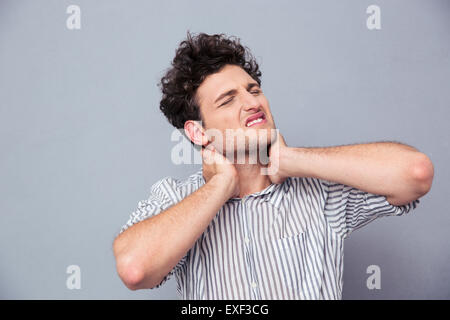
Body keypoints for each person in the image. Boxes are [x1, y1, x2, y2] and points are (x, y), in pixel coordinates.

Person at [112, 32, 434, 299]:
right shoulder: (175, 198)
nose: (252, 103)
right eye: (228, 99)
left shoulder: (318, 192)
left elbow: (415, 173)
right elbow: (134, 268)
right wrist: (220, 186)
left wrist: (292, 159)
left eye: (253, 90)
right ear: (198, 132)